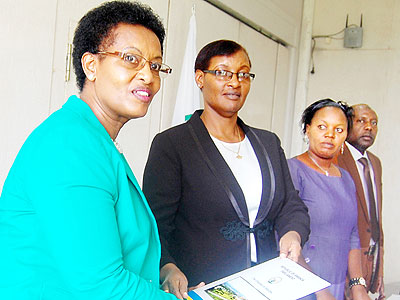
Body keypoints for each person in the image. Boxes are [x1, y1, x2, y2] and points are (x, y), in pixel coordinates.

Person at [0, 1, 177, 299]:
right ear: (91, 65)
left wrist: (164, 275)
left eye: (155, 65)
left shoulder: (91, 139)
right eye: (131, 59)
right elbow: (102, 286)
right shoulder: (69, 146)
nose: (148, 75)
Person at [142, 39, 310, 300]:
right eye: (222, 73)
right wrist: (167, 266)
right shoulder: (173, 145)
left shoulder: (268, 143)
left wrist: (293, 234)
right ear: (200, 78)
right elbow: (155, 223)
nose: (234, 82)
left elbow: (291, 204)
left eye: (243, 74)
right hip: (204, 284)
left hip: (268, 285)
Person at [287, 99, 370, 300]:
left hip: (336, 285)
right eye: (322, 127)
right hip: (300, 286)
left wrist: (357, 285)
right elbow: (282, 236)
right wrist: (319, 290)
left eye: (339, 130)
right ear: (308, 129)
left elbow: (352, 235)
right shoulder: (292, 170)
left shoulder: (346, 179)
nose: (330, 135)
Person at [337, 104, 384, 300]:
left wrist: (379, 266)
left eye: (374, 123)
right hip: (343, 256)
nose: (369, 127)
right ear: (347, 125)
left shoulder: (374, 162)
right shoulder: (335, 158)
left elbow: (375, 215)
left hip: (370, 255)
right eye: (361, 121)